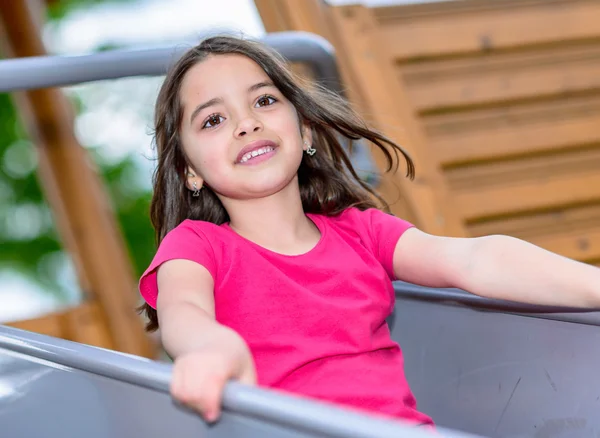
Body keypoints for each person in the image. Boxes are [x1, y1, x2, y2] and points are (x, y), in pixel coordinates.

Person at [137, 35, 600, 427]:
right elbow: (185, 310)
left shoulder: (362, 233)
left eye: (264, 100)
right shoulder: (195, 247)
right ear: (188, 171)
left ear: (307, 131)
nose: (247, 123)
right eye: (213, 120)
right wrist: (208, 347)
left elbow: (474, 260)